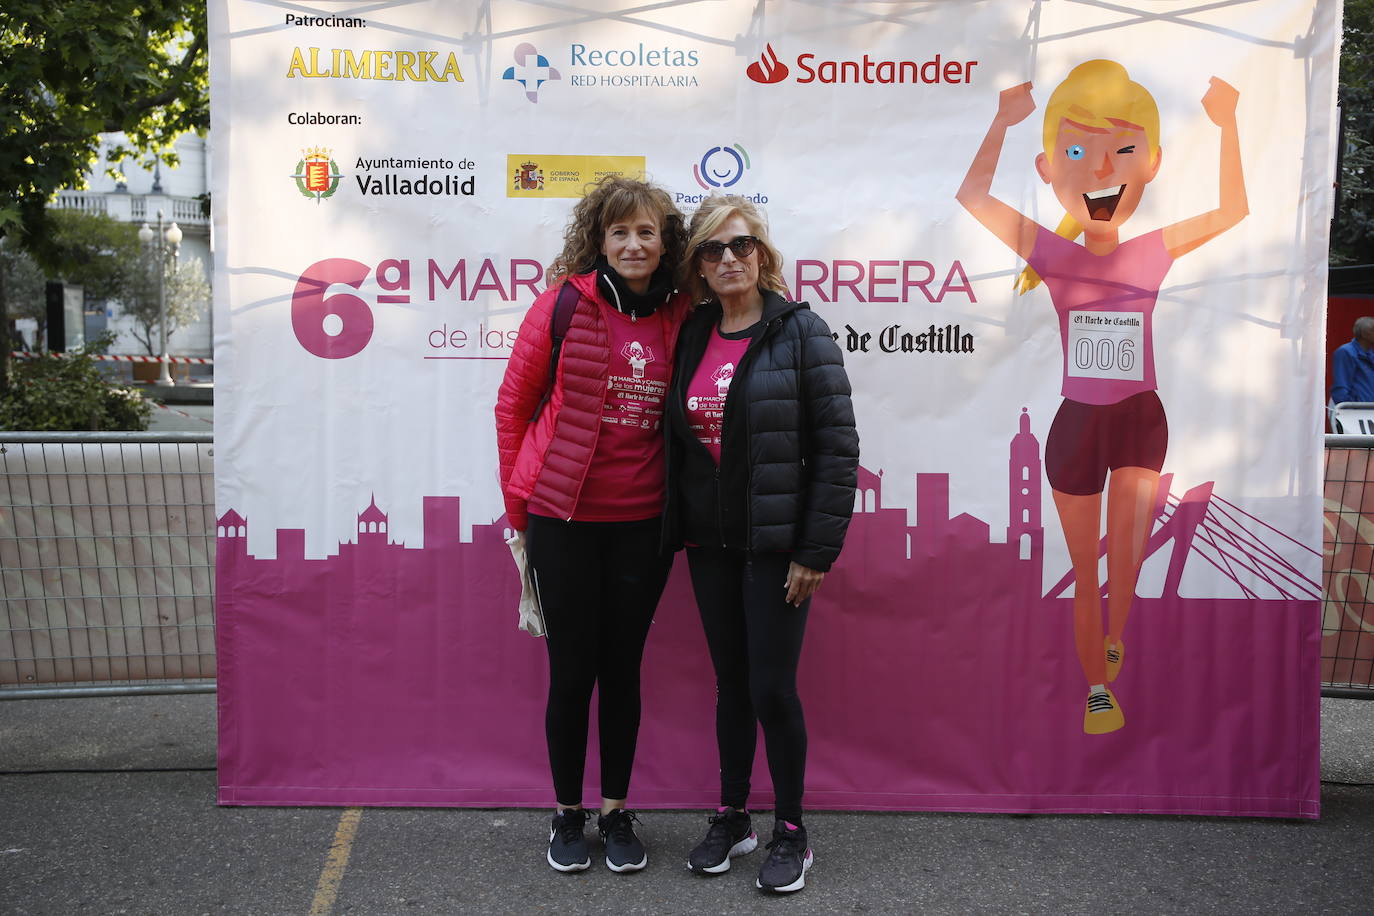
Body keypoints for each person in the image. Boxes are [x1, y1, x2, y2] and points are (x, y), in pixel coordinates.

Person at [956, 60, 1248, 734]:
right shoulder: (1052, 257)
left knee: (1126, 566)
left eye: (1121, 151)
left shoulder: (1152, 249)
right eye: (1077, 151)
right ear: (1049, 167)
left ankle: (1114, 637)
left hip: (1142, 421)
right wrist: (1000, 121)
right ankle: (1097, 688)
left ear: (1151, 165)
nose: (1099, 170)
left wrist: (1230, 124)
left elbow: (1235, 210)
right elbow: (972, 196)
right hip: (1078, 428)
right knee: (1088, 571)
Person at [495, 176, 691, 873]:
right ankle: (567, 814)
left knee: (624, 669)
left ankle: (615, 813)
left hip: (644, 524)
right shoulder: (562, 305)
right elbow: (512, 409)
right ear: (599, 241)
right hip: (562, 519)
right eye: (620, 232)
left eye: (646, 231)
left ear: (665, 242)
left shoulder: (684, 311)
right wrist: (519, 512)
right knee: (572, 670)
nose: (634, 244)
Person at [663, 195, 858, 893]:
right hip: (711, 544)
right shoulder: (694, 333)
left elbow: (838, 451)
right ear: (698, 267)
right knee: (731, 686)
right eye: (712, 251)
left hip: (777, 546)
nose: (727, 260)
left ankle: (793, 832)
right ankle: (734, 816)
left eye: (739, 245)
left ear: (762, 253)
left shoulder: (802, 333)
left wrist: (815, 551)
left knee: (773, 688)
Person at [1330, 317, 1374, 406]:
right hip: (1353, 412)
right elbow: (1340, 386)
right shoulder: (1346, 352)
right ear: (1364, 333)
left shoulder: (1371, 354)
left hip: (1368, 411)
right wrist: (1349, 408)